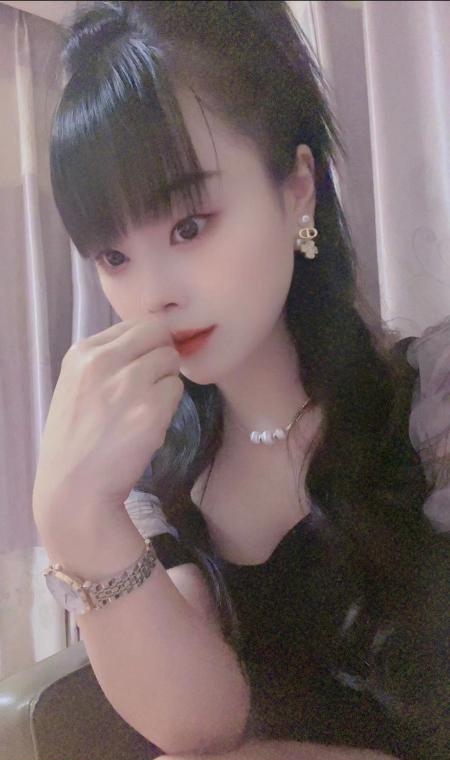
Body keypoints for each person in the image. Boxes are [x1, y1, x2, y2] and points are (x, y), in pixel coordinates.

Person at [32, 2, 449, 759]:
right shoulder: (155, 477)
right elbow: (199, 729)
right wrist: (71, 515)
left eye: (189, 226)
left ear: (297, 189)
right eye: (113, 257)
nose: (152, 293)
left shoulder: (431, 408)